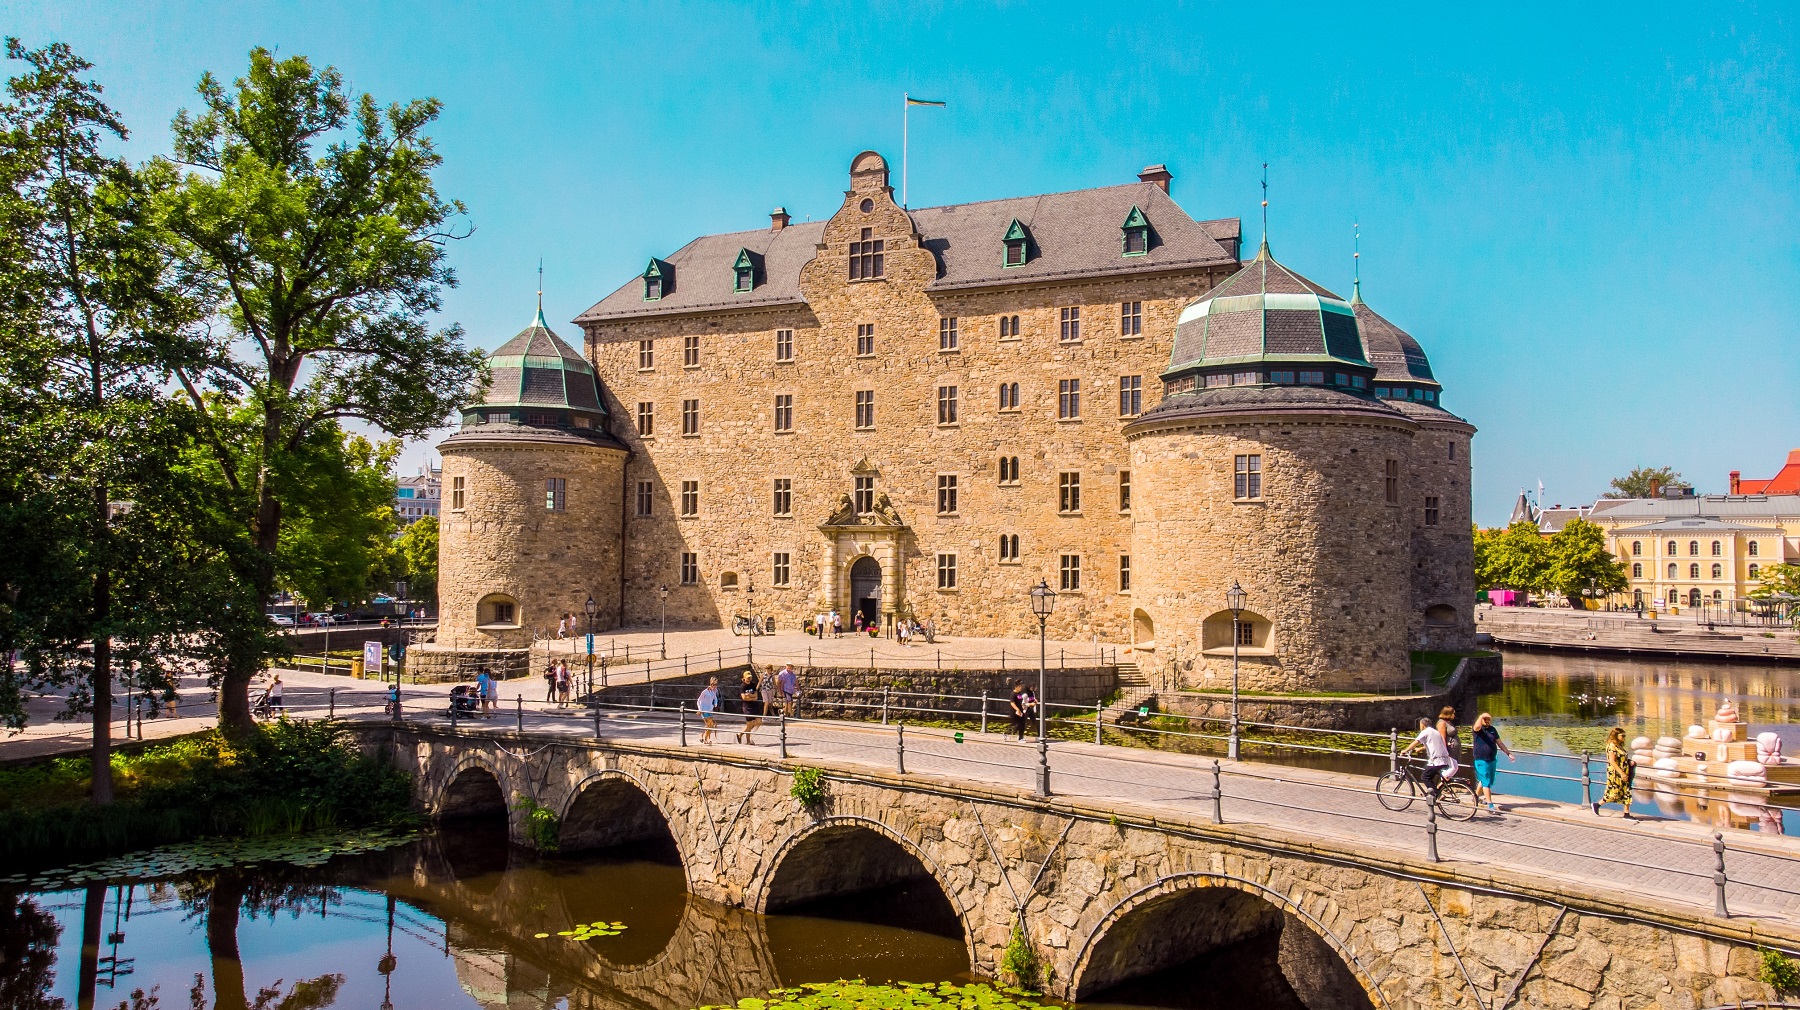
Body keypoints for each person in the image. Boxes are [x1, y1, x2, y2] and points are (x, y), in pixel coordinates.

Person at [1470, 712, 1514, 810]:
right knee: (1486, 781)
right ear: (1481, 720)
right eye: (1486, 720)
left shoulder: (1493, 729)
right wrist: (1481, 716)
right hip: (1481, 759)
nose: (1488, 722)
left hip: (1491, 759)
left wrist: (1508, 753)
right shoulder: (1478, 729)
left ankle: (1475, 797)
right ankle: (1490, 804)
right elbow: (1476, 726)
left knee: (1487, 779)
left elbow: (1500, 743)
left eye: (1489, 720)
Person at [1401, 716, 1455, 793]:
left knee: (1425, 777)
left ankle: (1436, 795)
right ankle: (1433, 792)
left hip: (1437, 760)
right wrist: (1420, 749)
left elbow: (1416, 742)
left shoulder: (1425, 732)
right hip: (1444, 759)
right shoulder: (1435, 731)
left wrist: (1405, 750)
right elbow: (1432, 744)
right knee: (1428, 773)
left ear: (1423, 725)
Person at [1597, 725, 1635, 819]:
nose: (1624, 738)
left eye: (1624, 736)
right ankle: (1597, 805)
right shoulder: (1611, 746)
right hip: (1615, 773)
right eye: (1622, 736)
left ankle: (1626, 814)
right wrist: (1621, 773)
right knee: (1614, 793)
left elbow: (1622, 758)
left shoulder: (1619, 746)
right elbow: (1612, 761)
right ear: (1616, 735)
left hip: (1624, 771)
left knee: (1626, 791)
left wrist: (1629, 761)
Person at [736, 669, 764, 744]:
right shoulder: (742, 686)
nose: (749, 679)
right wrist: (752, 697)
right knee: (749, 724)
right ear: (744, 678)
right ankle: (748, 741)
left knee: (759, 721)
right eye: (748, 677)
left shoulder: (753, 684)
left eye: (750, 677)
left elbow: (756, 697)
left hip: (754, 705)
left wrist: (750, 696)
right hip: (747, 707)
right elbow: (744, 698)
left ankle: (740, 734)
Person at [696, 677, 720, 744]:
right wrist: (700, 709)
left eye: (716, 684)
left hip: (710, 709)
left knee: (711, 725)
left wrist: (715, 703)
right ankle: (706, 739)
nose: (716, 686)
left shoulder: (714, 691)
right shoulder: (705, 692)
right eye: (715, 684)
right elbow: (699, 700)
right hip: (704, 710)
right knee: (708, 724)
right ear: (711, 684)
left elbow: (715, 698)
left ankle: (703, 736)